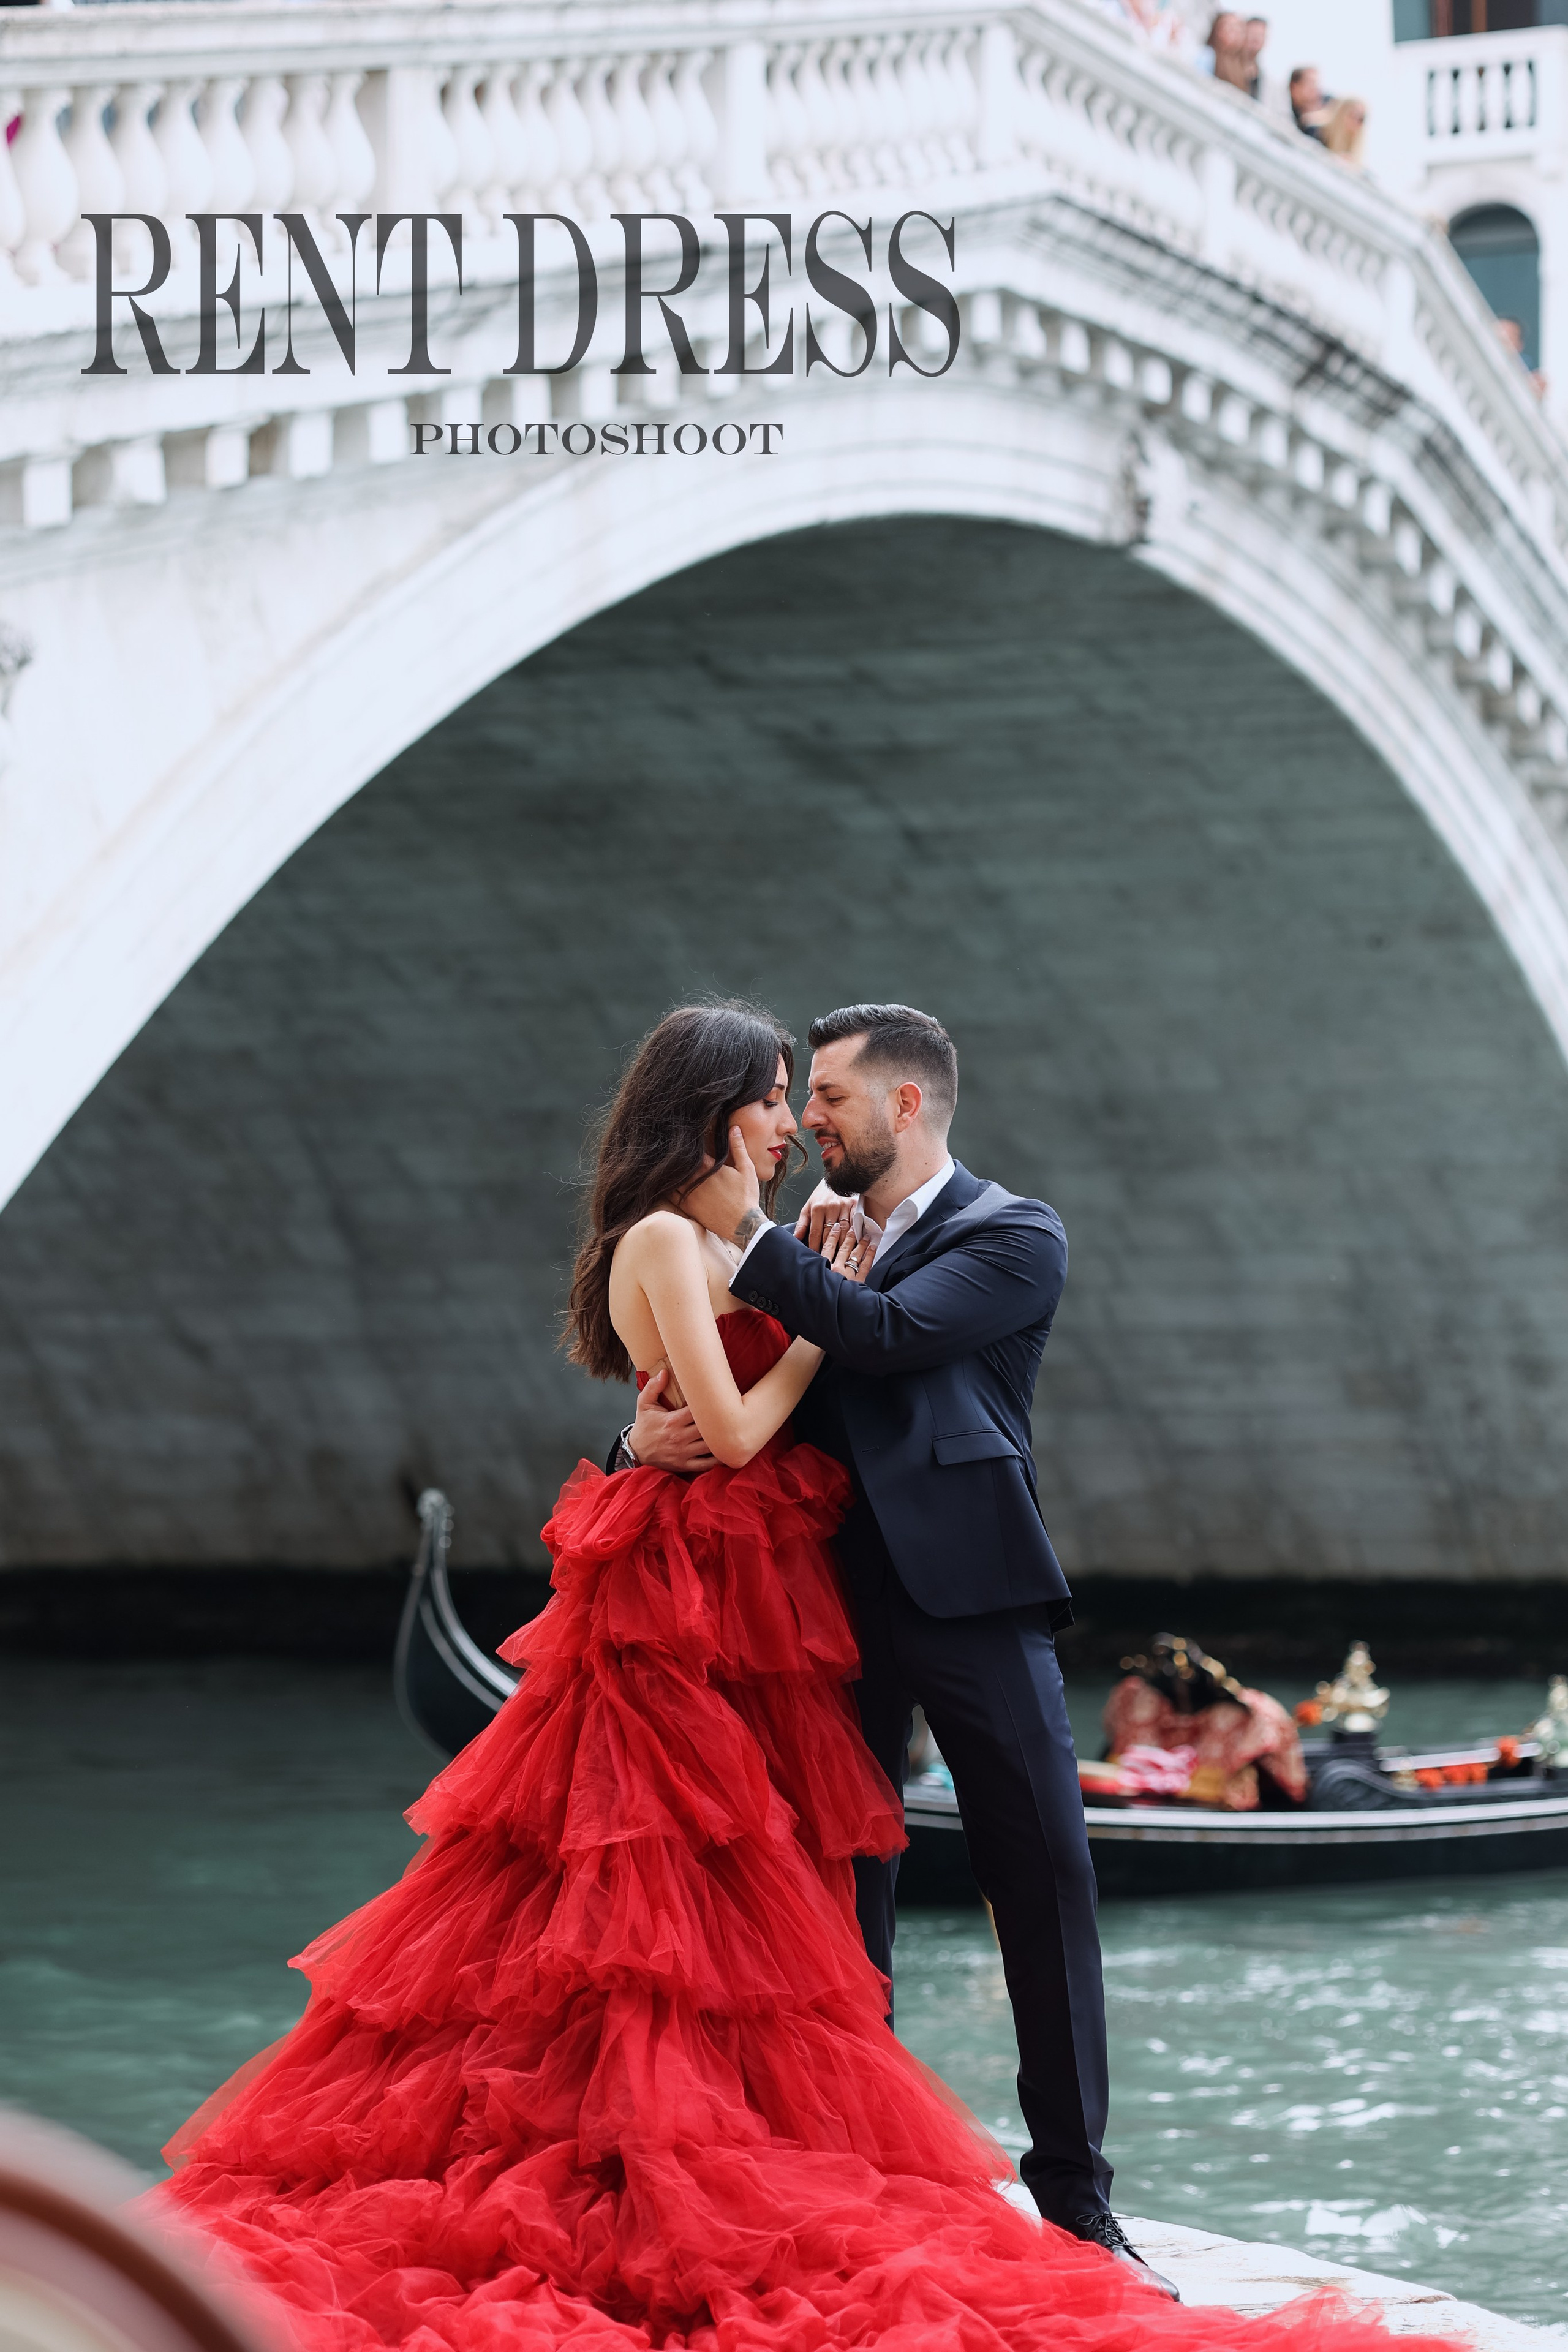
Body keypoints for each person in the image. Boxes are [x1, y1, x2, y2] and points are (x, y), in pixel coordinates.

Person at [150, 1001, 1461, 2352]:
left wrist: (762, 1258)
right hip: (801, 1608)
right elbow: (712, 1377)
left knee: (1042, 1873)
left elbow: (872, 1341)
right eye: (794, 1095)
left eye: (827, 1097)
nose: (807, 1118)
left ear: (904, 1107)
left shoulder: (1008, 1234)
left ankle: (1074, 2196)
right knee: (826, 1899)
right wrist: (635, 1433)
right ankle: (852, 2166)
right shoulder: (762, 1243)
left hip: (964, 1599)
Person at [1319, 95, 1368, 170]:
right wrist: (1335, 160)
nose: (1356, 122)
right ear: (1342, 113)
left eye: (1361, 119)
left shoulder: (1352, 150)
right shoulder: (1319, 133)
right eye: (1353, 115)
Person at [1289, 64, 1330, 140]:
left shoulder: (1313, 121)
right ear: (1294, 88)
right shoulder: (1280, 107)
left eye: (1317, 85)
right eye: (1311, 84)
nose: (1316, 91)